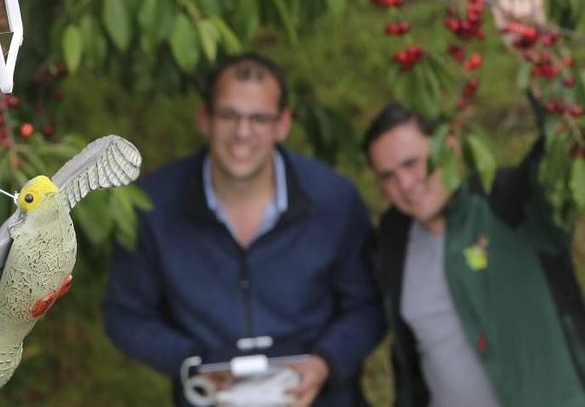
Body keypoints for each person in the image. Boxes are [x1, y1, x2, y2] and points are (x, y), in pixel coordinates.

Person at [103, 53, 385, 407]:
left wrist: (325, 362)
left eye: (259, 118)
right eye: (229, 115)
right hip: (212, 399)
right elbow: (126, 314)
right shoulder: (153, 207)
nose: (242, 133)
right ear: (205, 119)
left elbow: (369, 305)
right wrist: (191, 360)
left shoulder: (334, 200)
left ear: (282, 124)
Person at [363, 0, 585, 407]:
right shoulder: (395, 239)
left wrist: (540, 55)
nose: (406, 185)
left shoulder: (513, 202)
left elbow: (568, 144)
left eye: (414, 163)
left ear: (449, 144)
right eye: (388, 177)